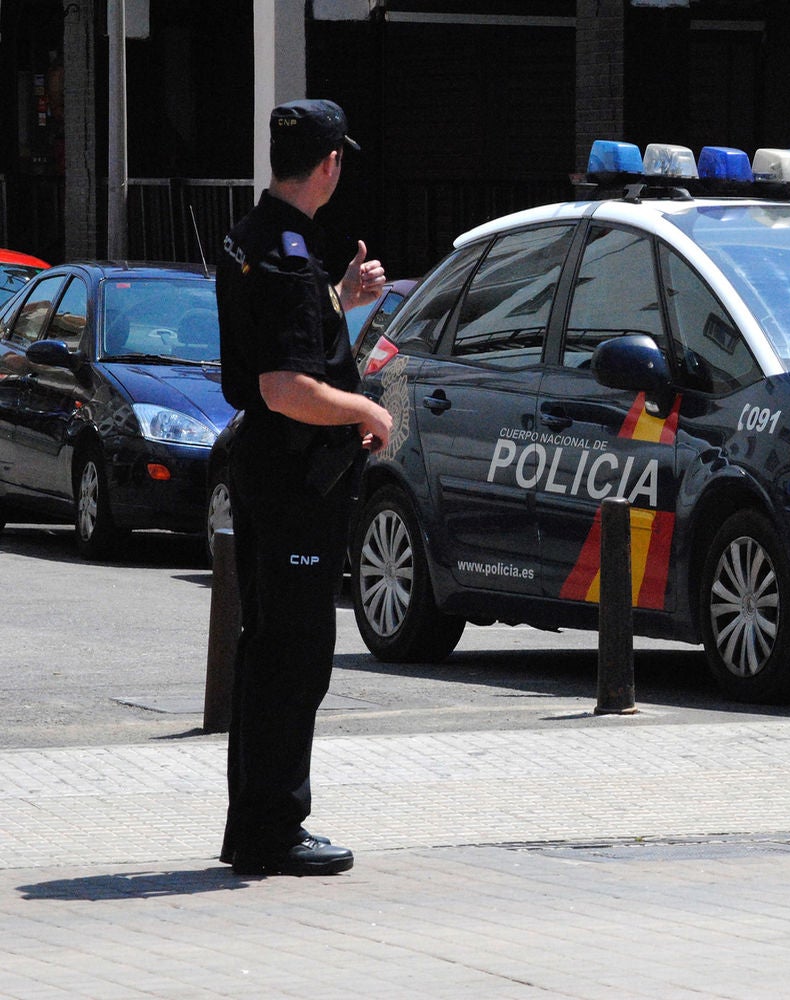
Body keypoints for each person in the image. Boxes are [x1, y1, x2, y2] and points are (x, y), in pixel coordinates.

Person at [215, 99, 392, 877]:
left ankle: (251, 824)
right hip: (293, 477)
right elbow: (286, 385)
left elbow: (286, 340)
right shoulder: (289, 253)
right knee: (294, 655)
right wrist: (366, 411)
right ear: (329, 165)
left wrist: (342, 302)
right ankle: (273, 829)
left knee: (266, 651)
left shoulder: (259, 237)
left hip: (265, 467)